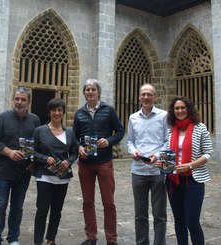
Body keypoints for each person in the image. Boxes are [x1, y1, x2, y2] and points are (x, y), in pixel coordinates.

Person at [73, 79, 125, 245]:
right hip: (85, 163)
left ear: (98, 92)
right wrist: (78, 147)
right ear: (84, 92)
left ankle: (111, 239)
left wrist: (109, 141)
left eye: (93, 89)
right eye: (87, 89)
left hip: (104, 162)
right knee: (88, 202)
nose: (90, 92)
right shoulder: (79, 113)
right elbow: (74, 137)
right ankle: (91, 237)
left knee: (108, 202)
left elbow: (120, 131)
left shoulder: (108, 110)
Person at [155, 96, 213, 245]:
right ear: (172, 111)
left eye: (183, 107)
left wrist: (190, 165)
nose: (180, 111)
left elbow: (208, 154)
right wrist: (160, 161)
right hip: (173, 181)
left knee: (192, 222)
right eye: (176, 108)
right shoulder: (170, 129)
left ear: (189, 109)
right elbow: (165, 150)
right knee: (179, 222)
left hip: (193, 180)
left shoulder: (200, 128)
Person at [0, 87, 40, 245]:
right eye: (17, 99)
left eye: (23, 99)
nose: (19, 102)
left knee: (17, 207)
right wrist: (9, 152)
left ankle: (13, 239)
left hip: (23, 173)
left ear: (28, 102)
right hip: (3, 171)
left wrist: (33, 162)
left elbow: (38, 144)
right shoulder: (2, 118)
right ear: (13, 100)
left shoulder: (35, 120)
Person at [32, 98, 78, 245]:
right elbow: (31, 152)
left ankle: (51, 239)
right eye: (53, 110)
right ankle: (38, 241)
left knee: (57, 211)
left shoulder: (69, 133)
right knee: (42, 209)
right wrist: (45, 158)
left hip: (62, 177)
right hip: (45, 176)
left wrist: (69, 162)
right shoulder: (40, 131)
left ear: (63, 112)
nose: (56, 113)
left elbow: (74, 152)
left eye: (59, 110)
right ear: (49, 112)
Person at [126, 83, 168, 245]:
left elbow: (167, 141)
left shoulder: (164, 116)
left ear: (155, 97)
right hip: (138, 171)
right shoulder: (133, 117)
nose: (146, 97)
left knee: (159, 214)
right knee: (140, 214)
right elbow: (130, 141)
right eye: (143, 94)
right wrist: (133, 151)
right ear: (139, 97)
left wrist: (157, 156)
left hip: (158, 171)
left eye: (149, 94)